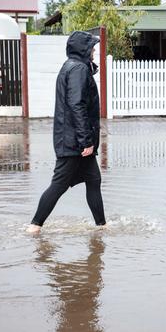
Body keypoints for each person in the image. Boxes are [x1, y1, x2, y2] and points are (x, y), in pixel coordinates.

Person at [26, 31, 106, 233]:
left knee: (94, 180)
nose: (94, 50)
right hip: (74, 142)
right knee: (59, 184)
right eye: (92, 47)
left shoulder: (73, 66)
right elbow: (76, 104)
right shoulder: (78, 68)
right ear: (83, 49)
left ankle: (101, 226)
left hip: (72, 138)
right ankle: (35, 226)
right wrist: (86, 141)